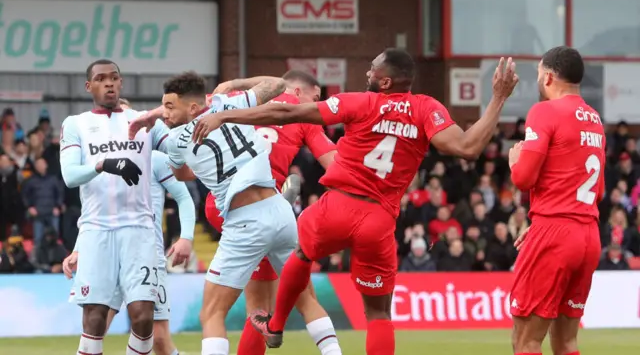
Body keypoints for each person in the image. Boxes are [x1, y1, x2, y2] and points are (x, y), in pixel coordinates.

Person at [191, 48, 518, 354]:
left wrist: (226, 115)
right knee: (378, 313)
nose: (367, 72)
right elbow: (468, 147)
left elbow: (286, 110)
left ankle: (275, 326)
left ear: (385, 81)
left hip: (336, 206)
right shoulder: (426, 108)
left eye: (373, 69)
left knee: (300, 254)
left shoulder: (361, 103)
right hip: (379, 219)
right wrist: (498, 99)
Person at [132, 71, 298, 355]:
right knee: (305, 301)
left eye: (169, 107)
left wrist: (167, 140)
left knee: (212, 312)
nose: (165, 114)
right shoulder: (232, 103)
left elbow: (181, 174)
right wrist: (234, 84)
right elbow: (278, 84)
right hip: (279, 208)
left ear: (194, 107)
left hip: (240, 217)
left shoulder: (175, 140)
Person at [205, 70, 342, 355]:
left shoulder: (239, 99)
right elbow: (335, 165)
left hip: (222, 202)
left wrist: (233, 83)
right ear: (298, 92)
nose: (316, 105)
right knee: (294, 299)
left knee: (254, 308)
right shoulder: (303, 116)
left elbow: (200, 106)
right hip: (260, 209)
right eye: (315, 98)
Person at [59, 59, 185, 355]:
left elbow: (178, 149)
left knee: (143, 318)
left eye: (114, 77)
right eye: (101, 79)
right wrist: (104, 164)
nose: (109, 83)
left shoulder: (143, 121)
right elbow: (69, 176)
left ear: (122, 82)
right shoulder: (75, 123)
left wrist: (178, 123)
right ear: (89, 86)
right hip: (96, 231)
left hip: (139, 231)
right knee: (95, 319)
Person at [508, 46, 604, 355]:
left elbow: (523, 178)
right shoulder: (594, 118)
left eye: (538, 74)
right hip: (588, 233)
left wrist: (514, 161)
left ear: (549, 77)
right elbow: (597, 190)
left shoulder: (545, 111)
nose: (537, 80)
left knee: (526, 341)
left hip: (555, 234)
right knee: (566, 342)